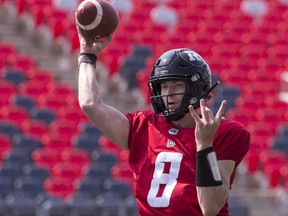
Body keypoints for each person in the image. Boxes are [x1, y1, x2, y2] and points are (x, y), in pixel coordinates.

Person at [76, 28, 250, 215]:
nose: (168, 93)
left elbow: (211, 207)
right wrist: (87, 55)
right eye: (164, 86)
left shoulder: (227, 132)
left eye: (177, 85)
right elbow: (90, 104)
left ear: (197, 88)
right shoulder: (143, 126)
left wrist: (205, 146)